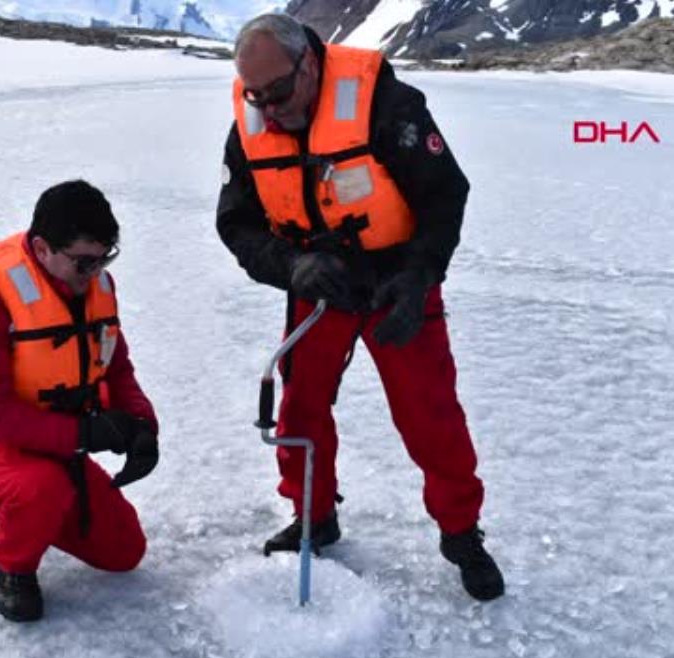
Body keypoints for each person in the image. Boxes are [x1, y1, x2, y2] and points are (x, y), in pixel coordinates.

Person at [215, 13, 504, 601]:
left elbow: (446, 192)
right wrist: (290, 266)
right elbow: (236, 224)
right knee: (300, 408)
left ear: (311, 63)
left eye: (279, 91)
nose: (269, 109)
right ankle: (313, 515)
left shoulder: (386, 105)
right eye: (256, 95)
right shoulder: (249, 127)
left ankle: (461, 533)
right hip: (318, 284)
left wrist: (420, 274)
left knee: (430, 414)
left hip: (396, 280)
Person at [0, 179, 160, 621]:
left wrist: (142, 426)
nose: (95, 273)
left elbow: (116, 367)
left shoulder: (95, 287)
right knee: (39, 491)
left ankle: (26, 511)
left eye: (105, 258)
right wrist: (86, 433)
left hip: (53, 441)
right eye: (84, 261)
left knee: (124, 550)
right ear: (42, 248)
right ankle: (13, 565)